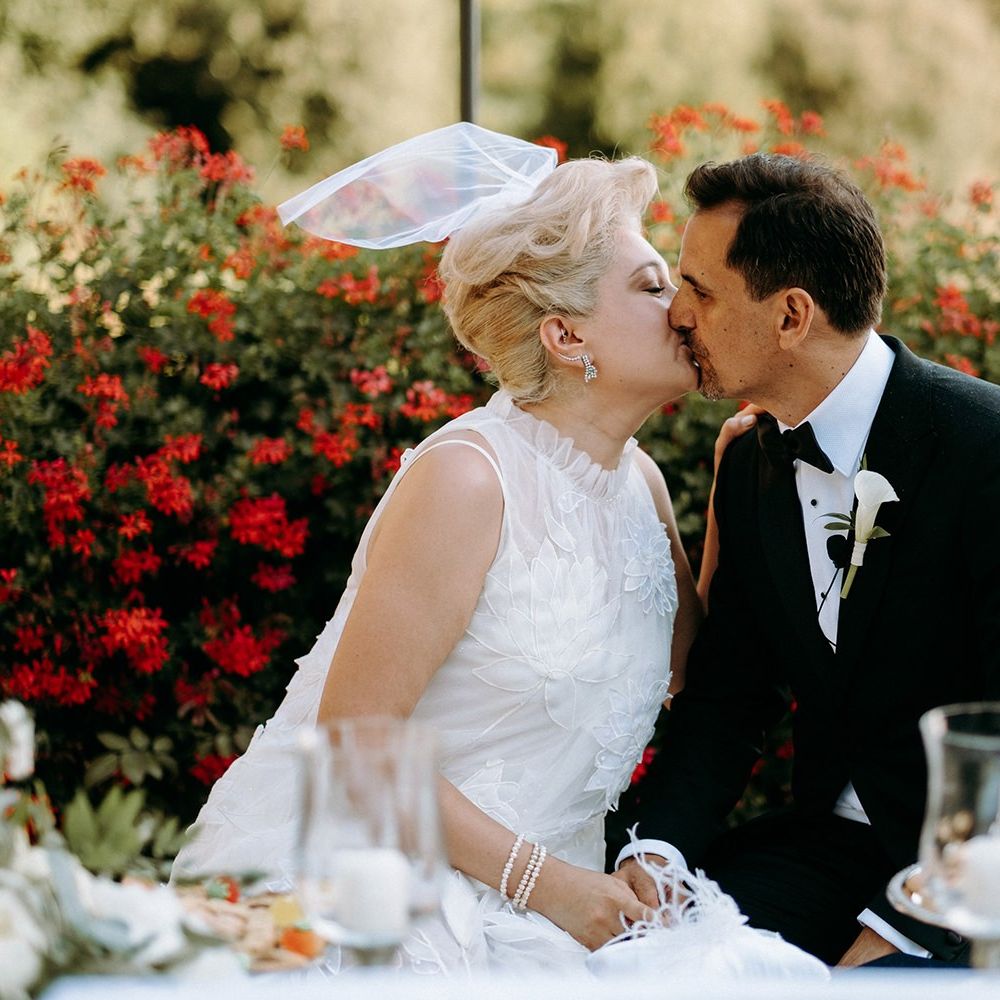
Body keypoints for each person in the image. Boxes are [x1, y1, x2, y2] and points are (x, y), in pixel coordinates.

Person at [171, 126, 823, 978]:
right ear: (565, 337)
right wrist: (550, 887)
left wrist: (750, 487)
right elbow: (355, 748)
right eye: (653, 284)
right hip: (367, 883)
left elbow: (708, 678)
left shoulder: (642, 486)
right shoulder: (468, 480)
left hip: (561, 900)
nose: (683, 309)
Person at [614, 151, 1000, 969]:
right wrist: (659, 854)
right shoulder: (753, 466)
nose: (677, 314)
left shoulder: (984, 448)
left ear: (791, 315)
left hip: (975, 874)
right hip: (826, 851)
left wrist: (908, 932)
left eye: (701, 291)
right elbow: (730, 696)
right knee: (639, 965)